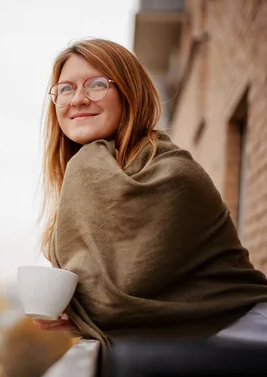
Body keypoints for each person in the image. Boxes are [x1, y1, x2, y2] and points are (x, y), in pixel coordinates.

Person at [32, 38, 267, 348]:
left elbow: (115, 301)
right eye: (65, 89)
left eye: (97, 84)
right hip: (184, 350)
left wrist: (75, 310)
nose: (78, 99)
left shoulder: (171, 173)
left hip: (241, 341)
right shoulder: (97, 176)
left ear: (130, 92)